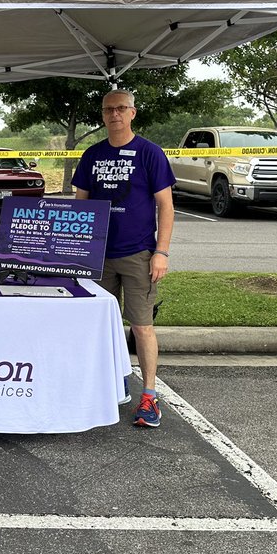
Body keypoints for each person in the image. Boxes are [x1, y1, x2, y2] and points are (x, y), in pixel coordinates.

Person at [72, 89, 174, 428]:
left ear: (132, 113)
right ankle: (106, 386)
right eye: (108, 109)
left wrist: (161, 252)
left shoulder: (150, 153)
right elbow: (79, 207)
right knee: (98, 326)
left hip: (138, 254)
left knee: (142, 326)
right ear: (102, 115)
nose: (114, 114)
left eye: (121, 108)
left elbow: (166, 207)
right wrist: (73, 251)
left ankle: (149, 396)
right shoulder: (92, 155)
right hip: (98, 257)